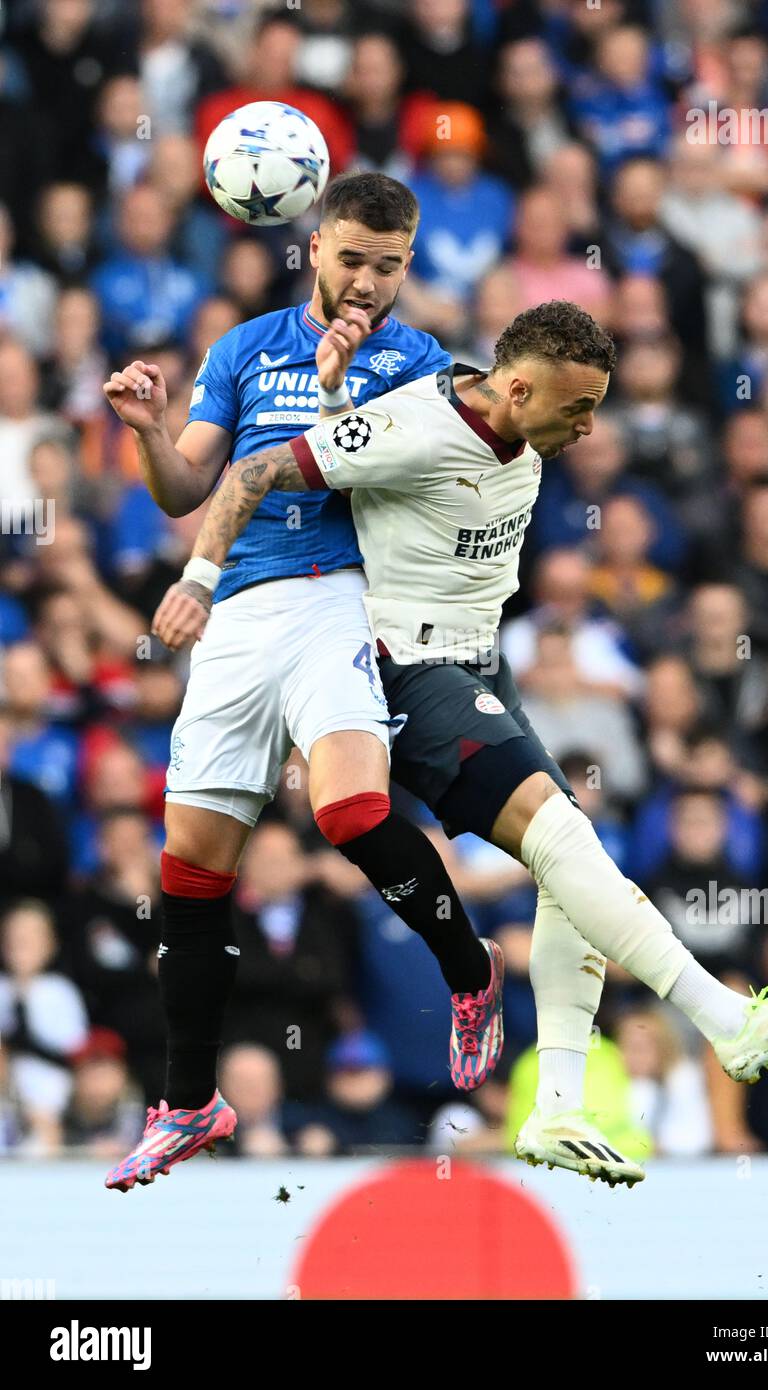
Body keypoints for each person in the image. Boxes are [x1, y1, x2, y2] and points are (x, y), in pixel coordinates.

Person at [157, 299, 768, 1188]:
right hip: (408, 671)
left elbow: (361, 428)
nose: (588, 426)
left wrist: (334, 400)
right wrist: (201, 579)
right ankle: (723, 1018)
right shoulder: (417, 426)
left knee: (569, 865)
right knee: (562, 842)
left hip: (481, 665)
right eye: (576, 407)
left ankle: (557, 1106)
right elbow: (257, 472)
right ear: (520, 386)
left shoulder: (508, 420)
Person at [101, 173, 507, 1194]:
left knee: (351, 807)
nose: (369, 281)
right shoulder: (242, 348)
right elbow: (189, 487)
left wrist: (335, 392)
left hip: (339, 595)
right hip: (238, 612)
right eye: (353, 258)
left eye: (390, 264)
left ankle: (469, 968)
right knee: (191, 870)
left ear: (408, 263)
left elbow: (378, 479)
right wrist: (151, 430)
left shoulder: (420, 367)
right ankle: (190, 1101)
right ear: (317, 247)